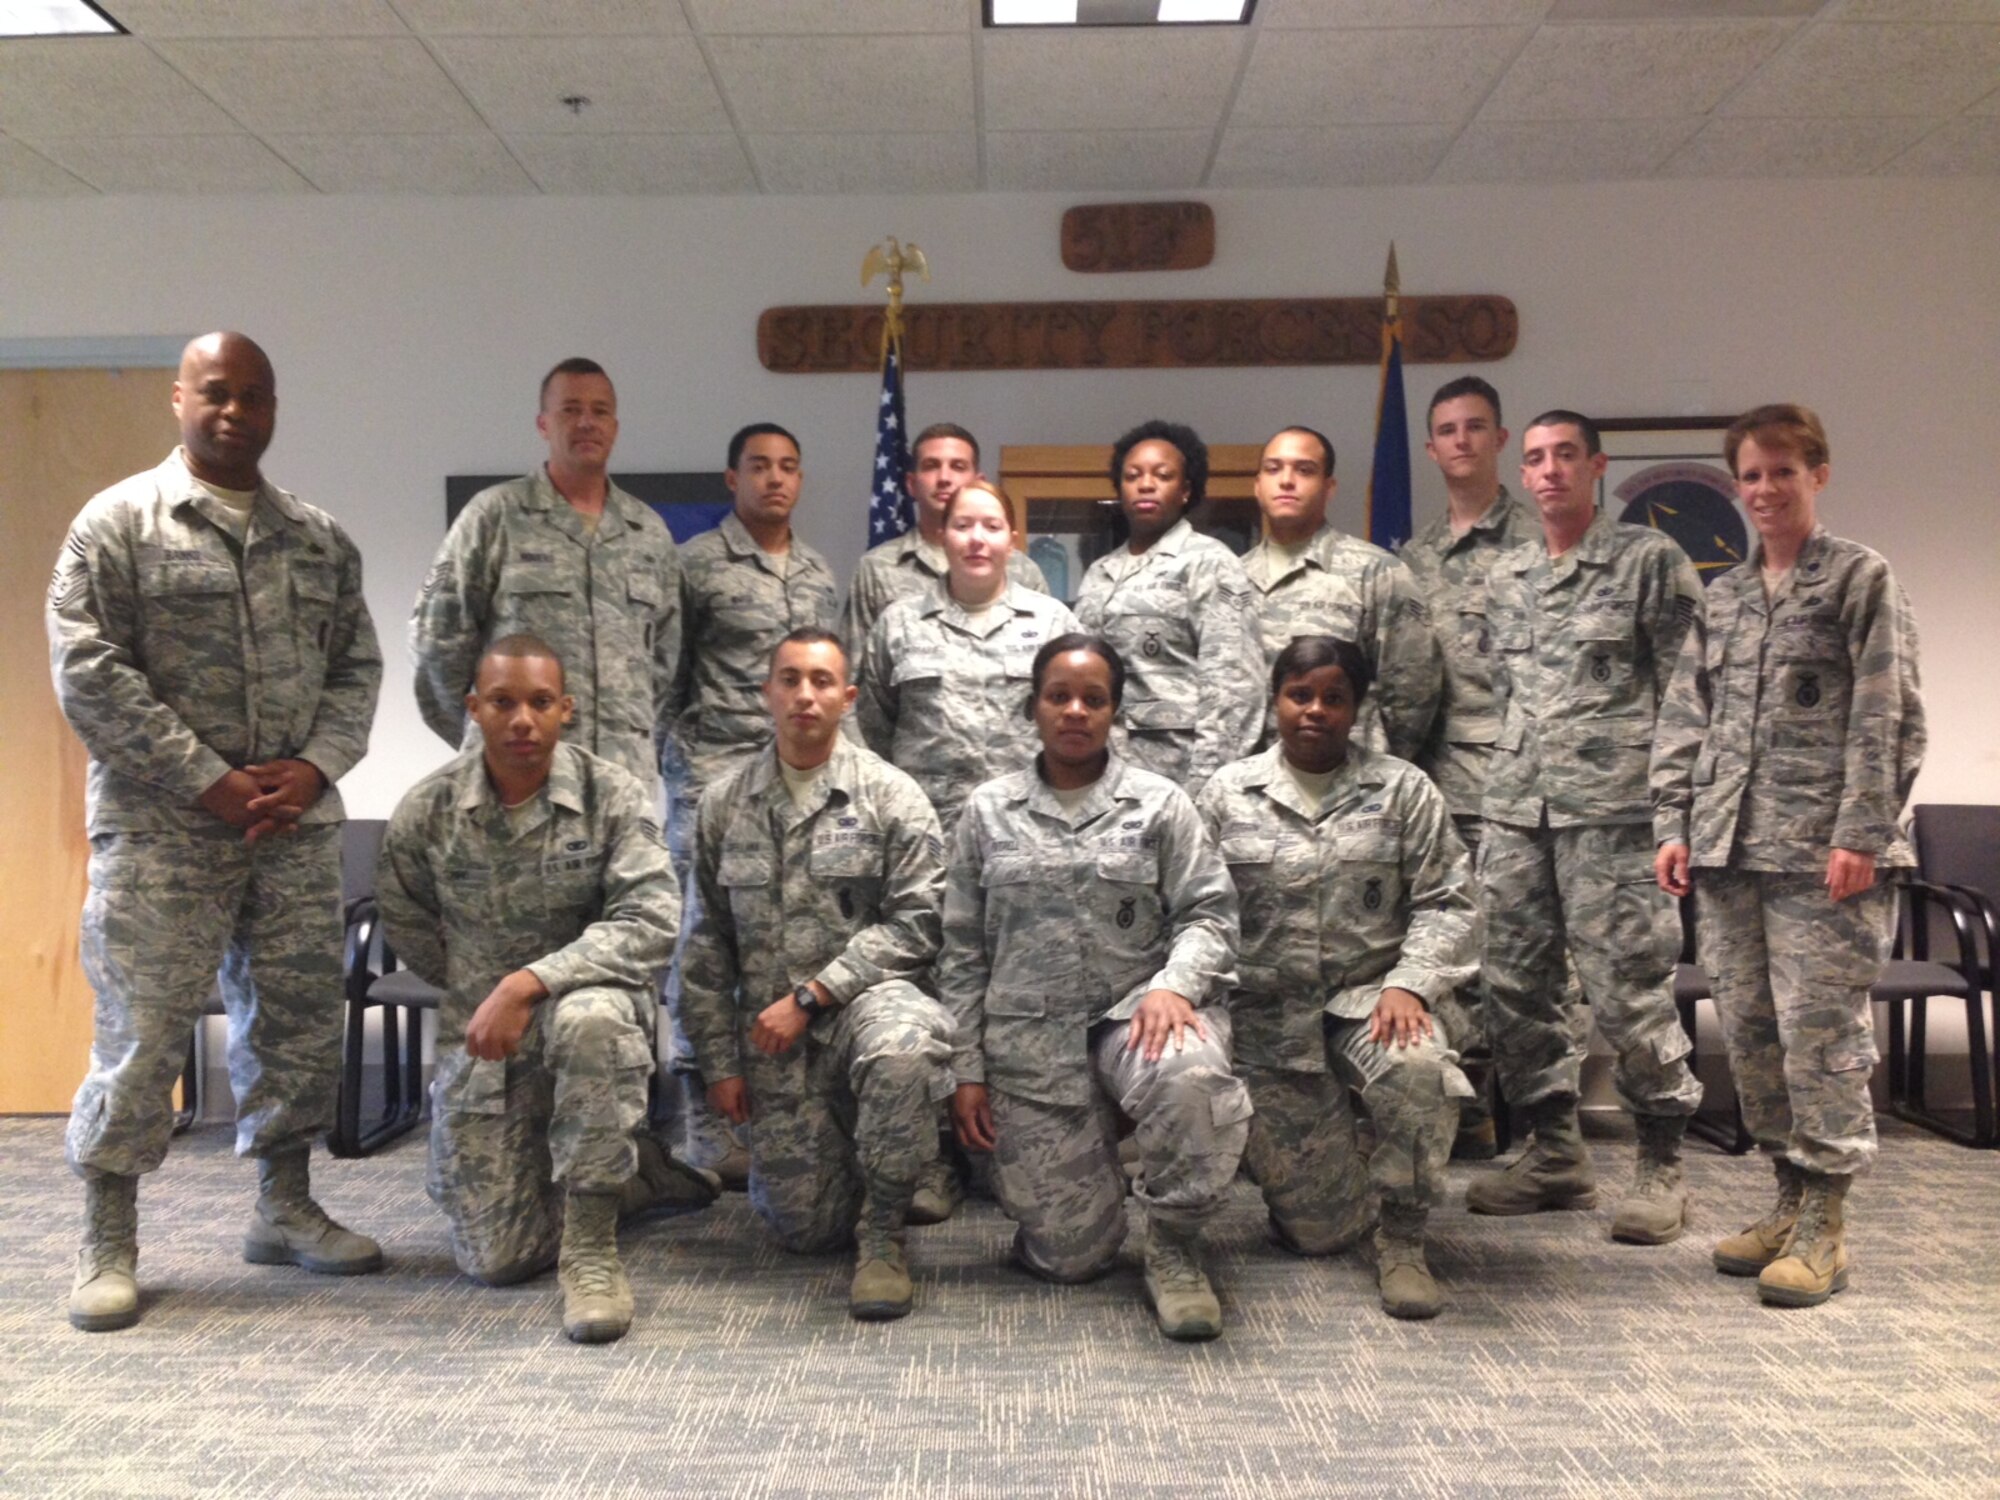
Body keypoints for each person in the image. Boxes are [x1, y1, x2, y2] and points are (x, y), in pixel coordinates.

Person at [48, 331, 384, 1333]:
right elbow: (88, 672)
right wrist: (211, 781)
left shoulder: (318, 539)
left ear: (275, 408)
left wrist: (315, 765)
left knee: (293, 1028)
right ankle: (109, 1236)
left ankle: (283, 1207)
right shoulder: (115, 525)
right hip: (162, 835)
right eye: (215, 393)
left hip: (291, 829)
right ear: (178, 398)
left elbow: (356, 672)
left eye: (254, 396)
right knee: (144, 1037)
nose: (234, 411)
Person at [1652, 404, 1924, 1308]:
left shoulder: (1858, 579)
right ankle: (1786, 1199)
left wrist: (1860, 832)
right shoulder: (1723, 598)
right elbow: (1685, 718)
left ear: (1819, 474)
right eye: (1752, 476)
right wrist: (1673, 822)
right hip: (1731, 855)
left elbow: (1888, 714)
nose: (1765, 490)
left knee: (1820, 1040)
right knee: (1755, 1038)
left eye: (1782, 473)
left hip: (1823, 857)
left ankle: (1827, 1225)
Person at [376, 636, 714, 1344]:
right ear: (474, 709)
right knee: (496, 1261)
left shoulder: (610, 795)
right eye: (502, 702)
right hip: (489, 1041)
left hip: (587, 1018)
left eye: (538, 702)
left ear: (567, 709)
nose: (522, 719)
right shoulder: (429, 810)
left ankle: (592, 1247)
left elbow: (652, 920)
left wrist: (530, 983)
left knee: (590, 1018)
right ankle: (633, 1174)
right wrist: (481, 992)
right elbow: (407, 922)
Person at [938, 634, 1250, 1341]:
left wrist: (1175, 985)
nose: (1075, 711)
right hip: (1030, 1046)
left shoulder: (1161, 804)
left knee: (1191, 1076)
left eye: (1094, 698)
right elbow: (959, 951)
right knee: (1070, 1258)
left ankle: (1174, 1246)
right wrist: (966, 1070)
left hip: (1137, 1018)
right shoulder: (987, 812)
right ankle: (1091, 1190)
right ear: (1034, 706)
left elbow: (1211, 914)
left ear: (1115, 712)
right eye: (1059, 696)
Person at [1468, 411, 1706, 1243]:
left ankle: (1661, 1162)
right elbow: (1508, 692)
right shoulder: (1508, 576)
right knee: (1514, 987)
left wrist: (1678, 812)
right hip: (1517, 810)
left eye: (1565, 455)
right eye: (1534, 458)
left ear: (1596, 466)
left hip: (1615, 814)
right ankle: (1554, 1152)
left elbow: (1691, 699)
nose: (1548, 471)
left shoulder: (1650, 562)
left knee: (1628, 989)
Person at [1198, 636, 1477, 1319]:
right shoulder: (1227, 794)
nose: (1315, 710)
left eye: (1333, 697)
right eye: (1300, 695)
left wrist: (1411, 982)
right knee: (1319, 1233)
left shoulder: (1403, 789)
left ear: (1357, 707)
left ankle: (1406, 1239)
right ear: (1275, 702)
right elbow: (1194, 909)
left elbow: (1450, 901)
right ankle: (1341, 1171)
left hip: (1372, 1001)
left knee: (1417, 1070)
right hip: (1268, 1023)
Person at [679, 630, 953, 1322]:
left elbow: (919, 924)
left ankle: (885, 1234)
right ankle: (859, 1178)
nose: (806, 694)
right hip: (779, 1046)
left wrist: (814, 993)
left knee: (904, 1045)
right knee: (802, 1231)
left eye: (823, 681)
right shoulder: (723, 803)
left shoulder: (892, 795)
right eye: (791, 679)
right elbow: (706, 941)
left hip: (863, 1010)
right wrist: (718, 1065)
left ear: (848, 697)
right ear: (767, 693)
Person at [666, 422, 841, 1182]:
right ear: (731, 478)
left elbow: (827, 683)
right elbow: (665, 679)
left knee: (792, 940)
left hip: (799, 780)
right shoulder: (697, 565)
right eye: (759, 467)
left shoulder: (817, 572)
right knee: (705, 948)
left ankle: (791, 1112)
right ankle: (708, 1121)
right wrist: (688, 769)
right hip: (716, 780)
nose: (775, 479)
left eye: (788, 467)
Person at [410, 358, 682, 788]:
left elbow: (665, 662)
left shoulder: (648, 532)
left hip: (622, 782)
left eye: (600, 411)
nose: (587, 422)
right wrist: (488, 736)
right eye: (571, 410)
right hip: (519, 780)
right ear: (543, 424)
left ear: (615, 426)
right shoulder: (494, 516)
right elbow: (437, 645)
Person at [1401, 378, 1544, 1160]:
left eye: (1475, 427)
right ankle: (1465, 1105)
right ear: (1430, 448)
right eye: (1446, 430)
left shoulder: (1542, 538)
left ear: (1500, 439)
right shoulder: (1415, 556)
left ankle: (1536, 1126)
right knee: (1445, 945)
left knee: (1520, 949)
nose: (1460, 440)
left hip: (1520, 778)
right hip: (1436, 777)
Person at [857, 477, 1081, 831]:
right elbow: (870, 730)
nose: (977, 538)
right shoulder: (898, 624)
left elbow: (1084, 726)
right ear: (943, 536)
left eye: (992, 527)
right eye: (962, 526)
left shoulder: (1054, 623)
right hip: (924, 830)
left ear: (1012, 541)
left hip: (1030, 829)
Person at [1073, 421, 1263, 797]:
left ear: (1186, 490)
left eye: (1162, 475)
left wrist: (1208, 789)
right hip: (1102, 783)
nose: (1146, 484)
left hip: (1180, 780)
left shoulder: (1209, 562)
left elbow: (1234, 689)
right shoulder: (1099, 573)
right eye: (1132, 475)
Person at [1242, 425, 1441, 762]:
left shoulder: (1375, 572)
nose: (1287, 480)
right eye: (1273, 469)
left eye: (1304, 470)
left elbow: (1413, 692)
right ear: (1258, 486)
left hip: (1350, 781)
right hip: (1249, 784)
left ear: (1328, 487)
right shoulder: (1229, 577)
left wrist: (1381, 765)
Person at [841, 423, 1051, 670]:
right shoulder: (876, 568)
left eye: (958, 467)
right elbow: (856, 676)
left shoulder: (1022, 569)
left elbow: (1051, 671)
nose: (944, 478)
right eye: (931, 466)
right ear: (911, 483)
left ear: (978, 481)